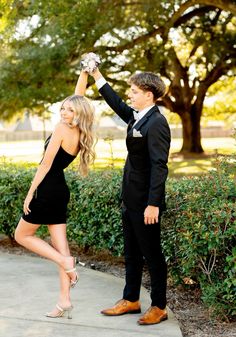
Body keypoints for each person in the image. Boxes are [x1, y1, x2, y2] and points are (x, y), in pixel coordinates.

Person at [88, 64, 171, 325]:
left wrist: (153, 204)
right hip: (130, 198)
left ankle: (159, 306)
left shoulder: (156, 122)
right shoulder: (138, 116)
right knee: (132, 253)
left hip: (146, 203)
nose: (130, 95)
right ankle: (131, 299)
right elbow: (116, 104)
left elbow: (159, 166)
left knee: (153, 255)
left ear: (149, 94)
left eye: (134, 91)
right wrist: (97, 76)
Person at [14, 71, 94, 319]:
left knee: (21, 235)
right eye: (62, 109)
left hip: (47, 188)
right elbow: (77, 97)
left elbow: (45, 165)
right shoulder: (80, 131)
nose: (63, 113)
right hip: (60, 190)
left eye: (69, 110)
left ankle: (66, 262)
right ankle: (64, 300)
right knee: (62, 246)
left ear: (78, 113)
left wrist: (30, 194)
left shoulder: (61, 129)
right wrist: (84, 73)